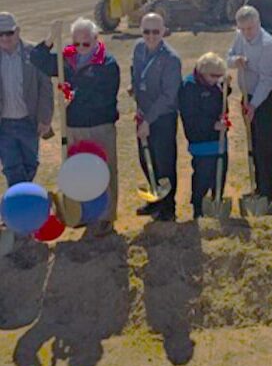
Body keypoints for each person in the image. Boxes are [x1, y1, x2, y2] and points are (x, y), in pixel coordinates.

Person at [31, 18, 120, 234]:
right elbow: (37, 59)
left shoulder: (107, 64)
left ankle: (106, 216)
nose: (80, 48)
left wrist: (72, 96)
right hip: (73, 126)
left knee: (104, 171)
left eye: (86, 44)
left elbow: (104, 97)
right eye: (76, 43)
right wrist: (50, 40)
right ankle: (82, 212)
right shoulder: (67, 59)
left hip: (99, 126)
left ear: (96, 41)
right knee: (78, 171)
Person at [228, 5, 272, 214]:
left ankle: (268, 196)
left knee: (267, 147)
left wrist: (253, 105)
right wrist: (236, 61)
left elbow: (267, 80)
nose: (247, 33)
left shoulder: (268, 45)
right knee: (254, 145)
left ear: (258, 23)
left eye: (250, 28)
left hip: (268, 99)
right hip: (248, 97)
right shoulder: (240, 37)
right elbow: (229, 57)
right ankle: (257, 189)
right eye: (242, 29)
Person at [130, 13, 181, 221]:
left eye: (155, 32)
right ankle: (154, 201)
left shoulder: (171, 59)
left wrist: (149, 121)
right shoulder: (138, 48)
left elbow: (169, 96)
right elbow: (136, 74)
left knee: (164, 164)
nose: (150, 36)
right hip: (143, 115)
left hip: (162, 117)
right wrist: (135, 89)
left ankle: (168, 208)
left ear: (163, 31)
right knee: (146, 159)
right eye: (146, 31)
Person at [0, 12, 53, 187]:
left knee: (30, 165)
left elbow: (46, 89)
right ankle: (18, 206)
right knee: (12, 167)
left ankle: (22, 202)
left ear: (18, 31)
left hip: (29, 122)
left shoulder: (34, 54)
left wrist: (45, 119)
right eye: (0, 34)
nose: (5, 38)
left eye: (9, 32)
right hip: (4, 125)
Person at [179, 53, 230, 218]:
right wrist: (212, 125)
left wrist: (226, 87)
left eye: (219, 76)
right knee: (203, 175)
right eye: (213, 76)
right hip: (201, 141)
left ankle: (216, 203)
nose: (216, 80)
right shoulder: (189, 87)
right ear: (202, 72)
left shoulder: (216, 85)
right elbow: (190, 116)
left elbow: (219, 98)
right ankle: (199, 209)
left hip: (219, 140)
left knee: (219, 173)